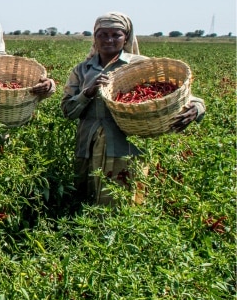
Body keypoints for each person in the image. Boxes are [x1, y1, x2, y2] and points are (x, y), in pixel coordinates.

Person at [61, 12, 205, 205]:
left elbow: (179, 95)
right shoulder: (82, 70)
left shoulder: (140, 67)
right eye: (102, 34)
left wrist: (196, 108)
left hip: (126, 148)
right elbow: (67, 110)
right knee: (85, 202)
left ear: (126, 37)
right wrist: (87, 93)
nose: (109, 40)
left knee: (122, 202)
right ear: (95, 37)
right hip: (87, 147)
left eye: (116, 34)